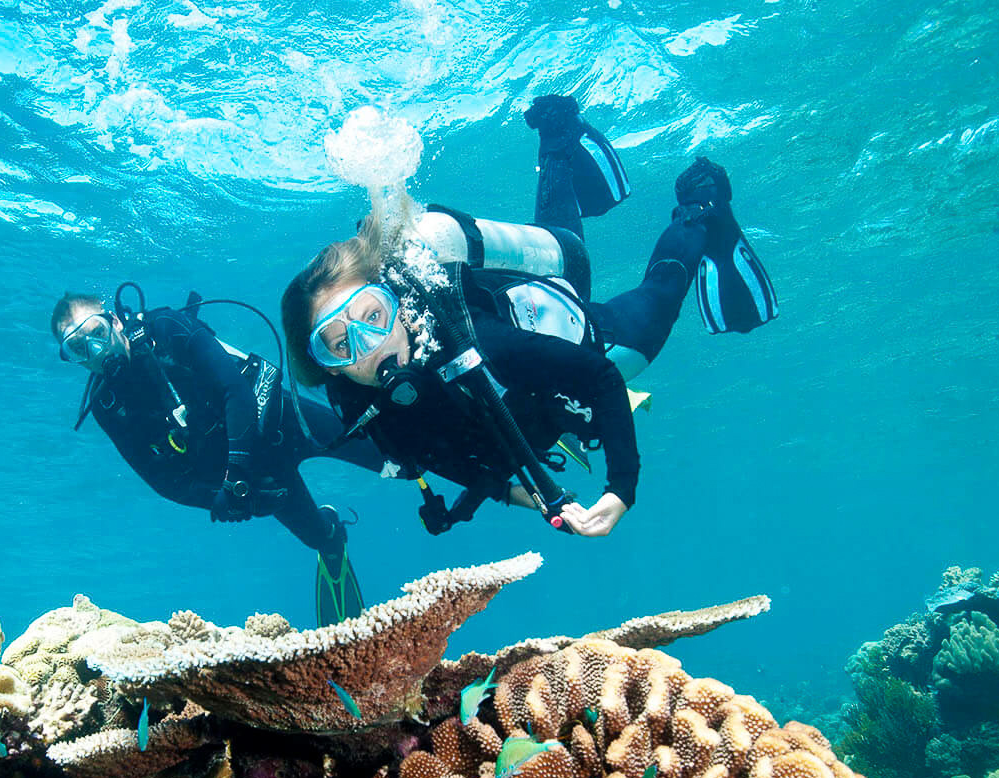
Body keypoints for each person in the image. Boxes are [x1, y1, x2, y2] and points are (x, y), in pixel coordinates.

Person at [280, 95, 777, 538]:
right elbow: (455, 463)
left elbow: (602, 378)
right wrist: (543, 502)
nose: (371, 346)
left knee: (659, 297)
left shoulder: (471, 338)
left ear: (394, 301)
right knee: (560, 231)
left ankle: (700, 205)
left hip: (576, 332)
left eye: (373, 315)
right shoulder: (361, 409)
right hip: (535, 357)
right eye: (341, 344)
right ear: (325, 366)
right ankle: (557, 135)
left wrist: (620, 489)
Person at [51, 286, 383, 623]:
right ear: (72, 358)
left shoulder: (166, 328)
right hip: (258, 476)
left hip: (283, 421)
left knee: (392, 459)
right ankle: (331, 536)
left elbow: (235, 390)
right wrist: (226, 498)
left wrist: (235, 474)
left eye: (97, 333)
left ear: (115, 322)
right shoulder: (107, 406)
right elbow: (162, 480)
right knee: (318, 539)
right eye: (78, 347)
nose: (95, 349)